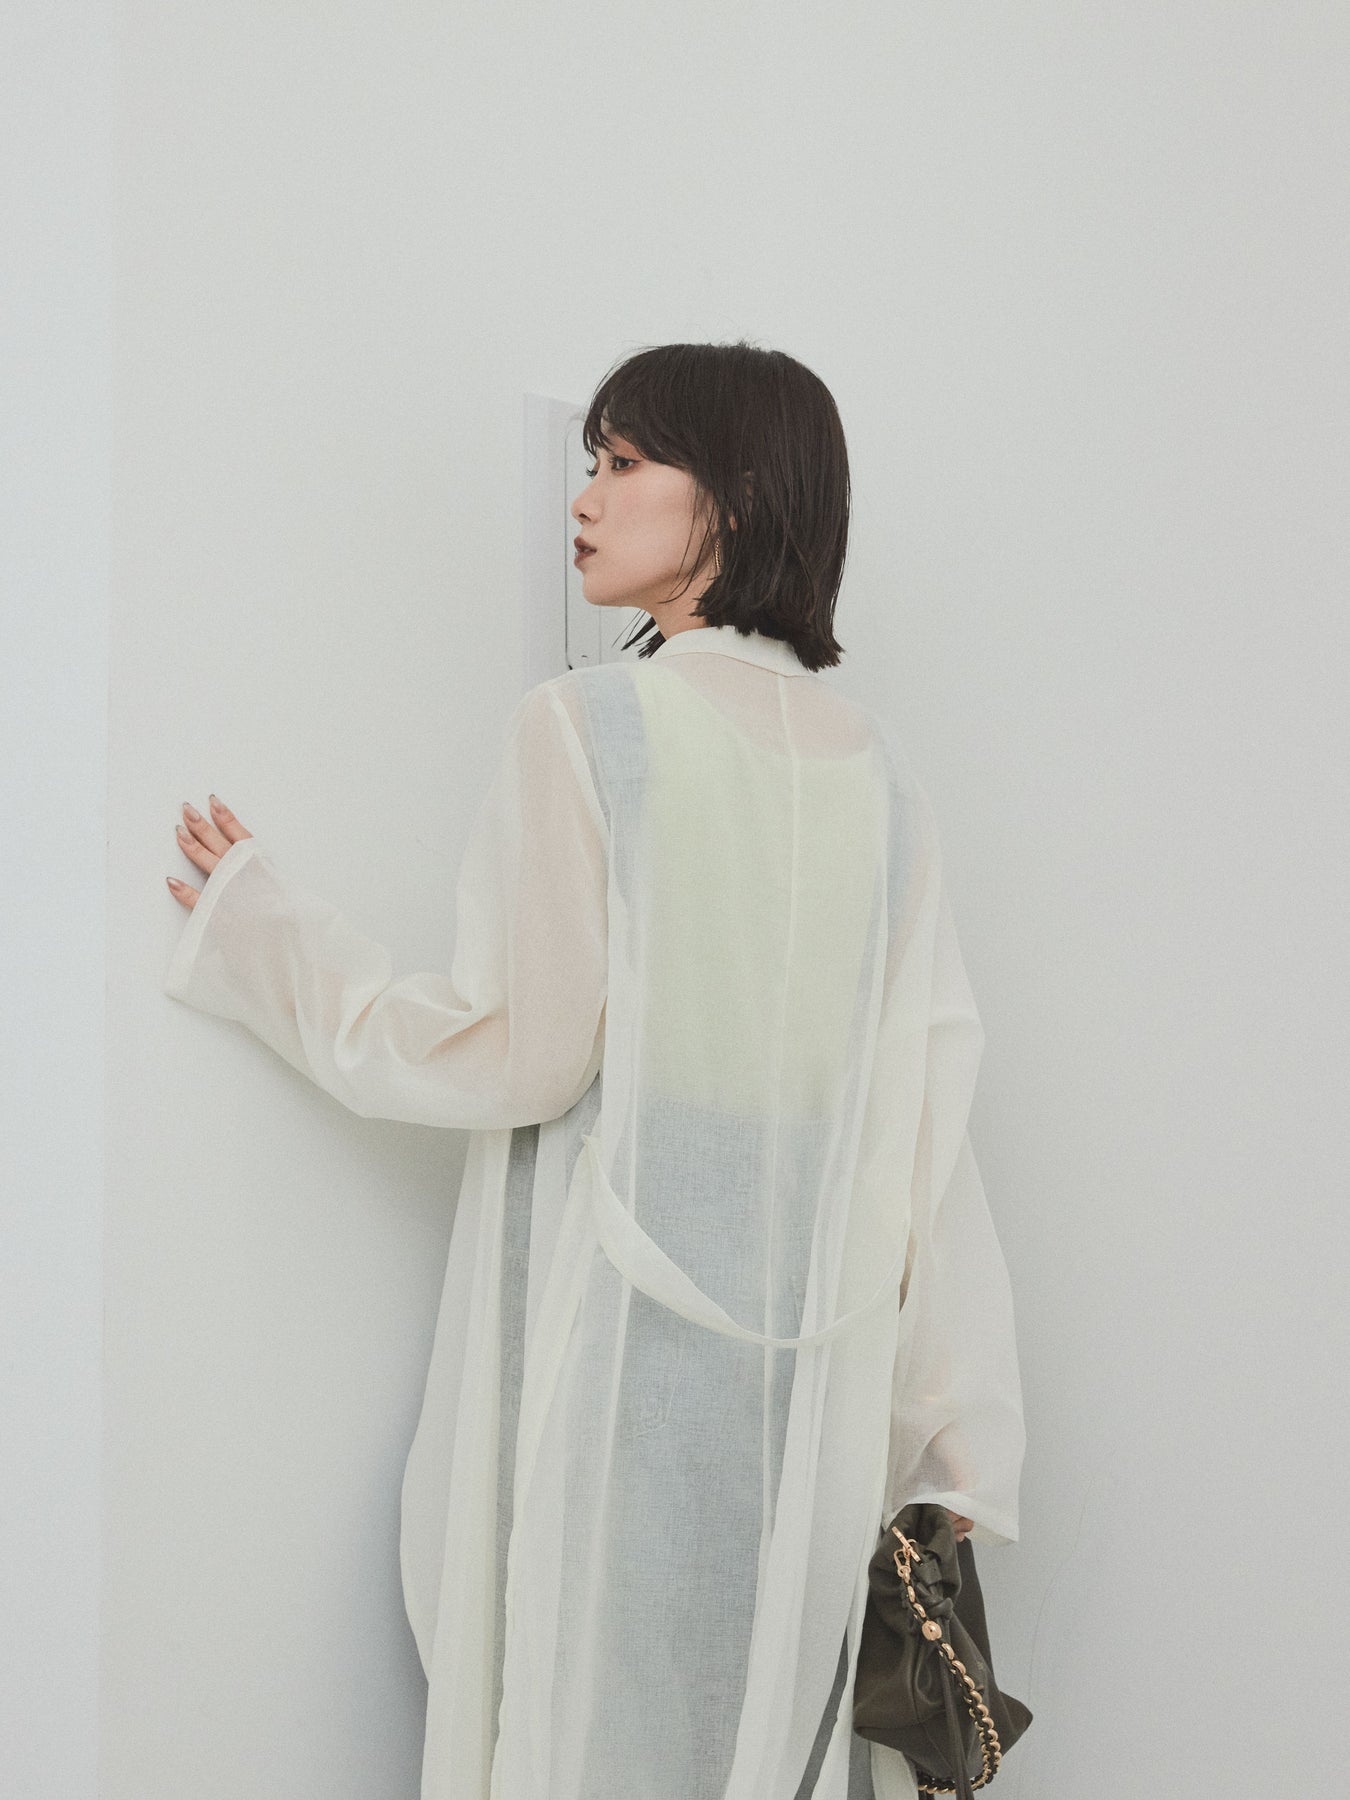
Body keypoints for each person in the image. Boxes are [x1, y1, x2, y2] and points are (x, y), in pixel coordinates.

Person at [164, 340, 1026, 1800]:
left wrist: (272, 945)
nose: (585, 499)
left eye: (626, 465)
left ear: (735, 496)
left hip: (621, 1353)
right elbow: (923, 1125)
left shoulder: (587, 726)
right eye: (591, 462)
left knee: (584, 1734)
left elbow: (521, 1053)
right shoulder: (879, 777)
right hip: (816, 1387)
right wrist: (948, 1445)